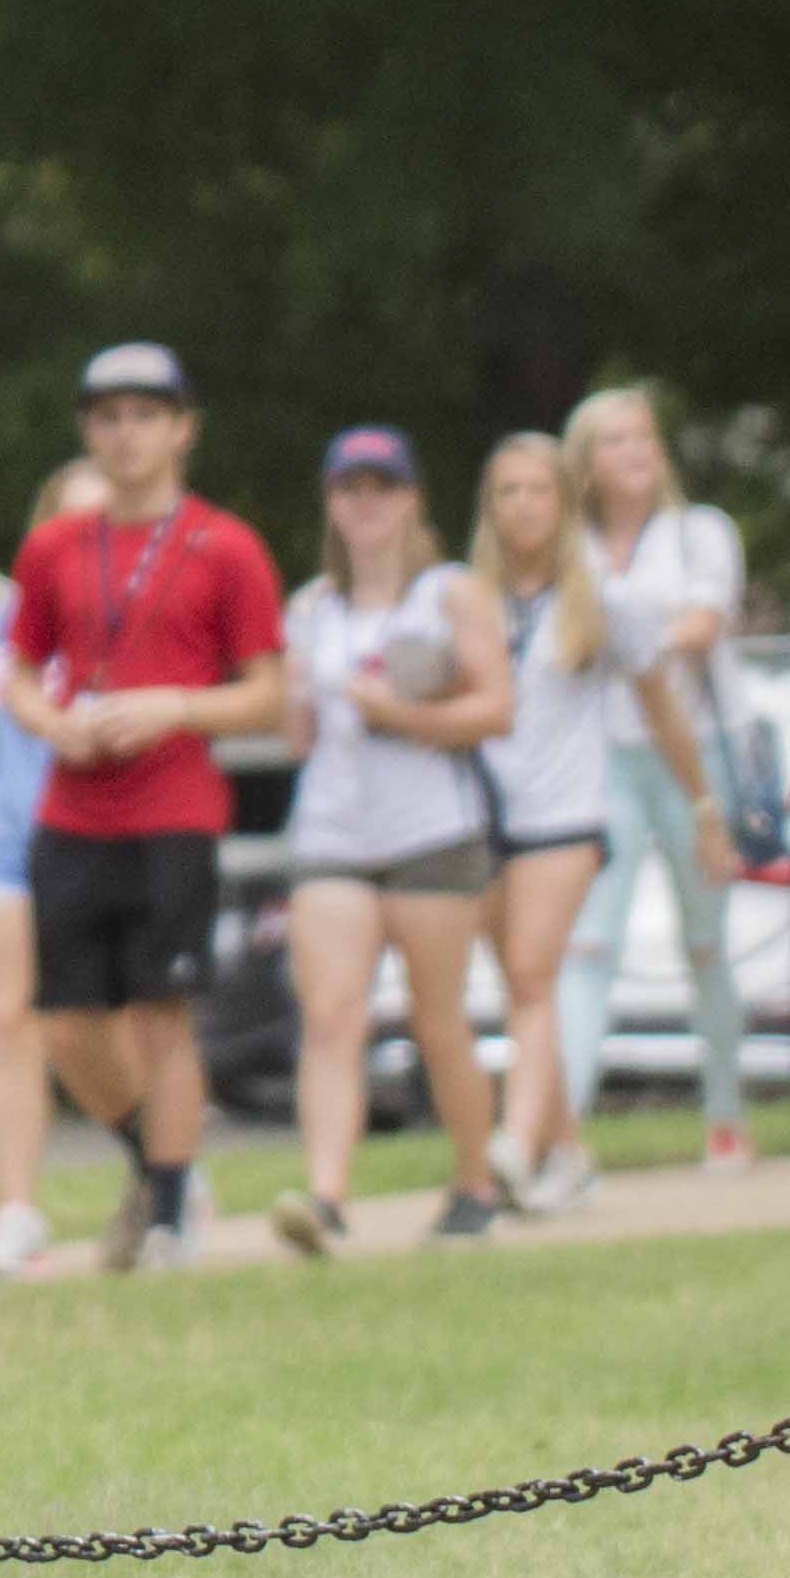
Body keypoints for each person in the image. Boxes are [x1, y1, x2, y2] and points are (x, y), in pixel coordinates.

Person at [0, 343, 288, 1276]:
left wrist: (174, 707)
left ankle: (168, 1216)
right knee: (69, 1025)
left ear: (181, 428)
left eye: (144, 415)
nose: (125, 434)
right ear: (88, 430)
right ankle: (157, 1165)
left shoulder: (224, 545)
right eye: (108, 417)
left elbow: (267, 694)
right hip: (73, 808)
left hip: (174, 806)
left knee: (162, 1014)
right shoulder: (54, 545)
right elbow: (14, 668)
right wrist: (53, 721)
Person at [266, 428, 508, 1256]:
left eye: (380, 486)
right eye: (348, 489)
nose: (364, 503)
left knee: (435, 1018)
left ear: (409, 498)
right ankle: (326, 1193)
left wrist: (401, 713)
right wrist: (292, 691)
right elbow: (297, 734)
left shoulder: (449, 593)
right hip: (335, 824)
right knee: (331, 1013)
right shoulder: (311, 608)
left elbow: (494, 708)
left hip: (430, 827)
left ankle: (474, 1177)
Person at [555, 384, 759, 1177]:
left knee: (704, 940)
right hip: (605, 755)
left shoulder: (698, 533)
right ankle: (563, 1120)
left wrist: (621, 639)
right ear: (587, 460)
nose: (635, 451)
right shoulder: (569, 545)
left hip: (692, 751)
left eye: (643, 436)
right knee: (590, 940)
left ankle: (725, 1112)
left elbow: (700, 629)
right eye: (614, 439)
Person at [465, 432, 627, 1214]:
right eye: (507, 490)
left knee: (532, 972)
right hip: (485, 811)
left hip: (565, 812)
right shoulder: (466, 597)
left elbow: (660, 694)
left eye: (538, 489)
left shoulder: (596, 597)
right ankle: (567, 1149)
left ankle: (513, 1144)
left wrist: (702, 799)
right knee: (519, 986)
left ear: (562, 502)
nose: (522, 506)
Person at [0, 459, 102, 1280]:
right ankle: (15, 1207)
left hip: (99, 840)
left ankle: (161, 1164)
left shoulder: (139, 619)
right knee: (8, 1020)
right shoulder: (4, 621)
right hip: (4, 843)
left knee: (93, 1027)